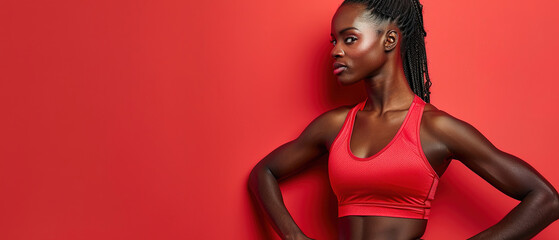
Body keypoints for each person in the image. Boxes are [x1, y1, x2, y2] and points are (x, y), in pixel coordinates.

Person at [248, 0, 559, 239]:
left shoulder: (434, 128)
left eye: (349, 39)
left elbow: (546, 200)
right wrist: (293, 235)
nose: (336, 51)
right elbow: (264, 172)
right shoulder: (334, 126)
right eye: (334, 41)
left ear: (389, 40)